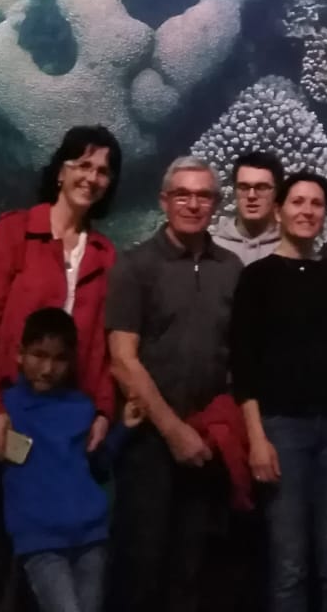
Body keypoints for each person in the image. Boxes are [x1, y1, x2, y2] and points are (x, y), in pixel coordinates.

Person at [0, 126, 122, 612]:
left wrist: (103, 410)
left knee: (57, 569)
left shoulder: (104, 254)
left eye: (103, 170)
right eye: (83, 164)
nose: (92, 177)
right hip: (11, 415)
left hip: (66, 427)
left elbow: (102, 344)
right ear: (60, 171)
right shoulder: (15, 232)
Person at [232, 171, 327, 612]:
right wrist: (256, 437)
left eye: (316, 203)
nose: (307, 211)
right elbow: (243, 363)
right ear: (279, 210)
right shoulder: (256, 277)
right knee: (289, 562)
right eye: (298, 202)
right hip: (283, 429)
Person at [106, 156, 244, 612]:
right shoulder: (135, 266)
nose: (193, 204)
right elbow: (123, 360)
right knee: (141, 570)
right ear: (164, 201)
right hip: (149, 443)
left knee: (193, 573)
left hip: (209, 443)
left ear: (216, 204)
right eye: (182, 195)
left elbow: (239, 355)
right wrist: (173, 431)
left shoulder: (231, 268)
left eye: (204, 196)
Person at [0, 309, 124, 612]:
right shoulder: (6, 411)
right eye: (39, 355)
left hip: (91, 536)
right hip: (40, 540)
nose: (47, 368)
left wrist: (124, 428)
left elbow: (98, 463)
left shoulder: (82, 407)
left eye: (59, 359)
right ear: (19, 354)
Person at [212, 150, 285, 266]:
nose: (251, 196)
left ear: (278, 192)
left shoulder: (292, 247)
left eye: (261, 187)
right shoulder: (213, 248)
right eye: (243, 187)